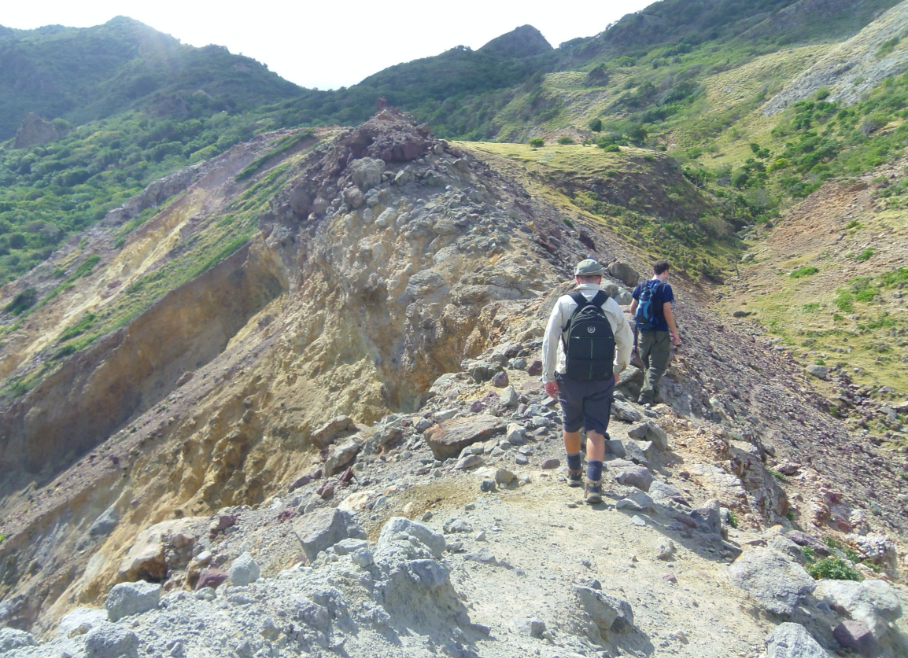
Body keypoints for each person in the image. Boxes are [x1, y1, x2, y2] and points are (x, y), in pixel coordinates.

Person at [542, 259, 634, 503]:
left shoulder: (564, 302)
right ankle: (593, 485)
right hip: (601, 377)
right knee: (596, 428)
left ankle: (574, 472)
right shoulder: (612, 305)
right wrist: (617, 368)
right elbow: (627, 342)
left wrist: (548, 376)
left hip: (569, 375)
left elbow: (550, 341)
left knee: (570, 423)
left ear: (577, 279)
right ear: (600, 279)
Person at [630, 260, 681, 405]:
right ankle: (645, 396)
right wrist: (675, 333)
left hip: (643, 331)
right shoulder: (665, 288)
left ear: (653, 271)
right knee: (658, 365)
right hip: (660, 332)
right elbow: (667, 311)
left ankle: (654, 395)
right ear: (665, 272)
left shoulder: (642, 285)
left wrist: (641, 321)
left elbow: (632, 308)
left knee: (648, 364)